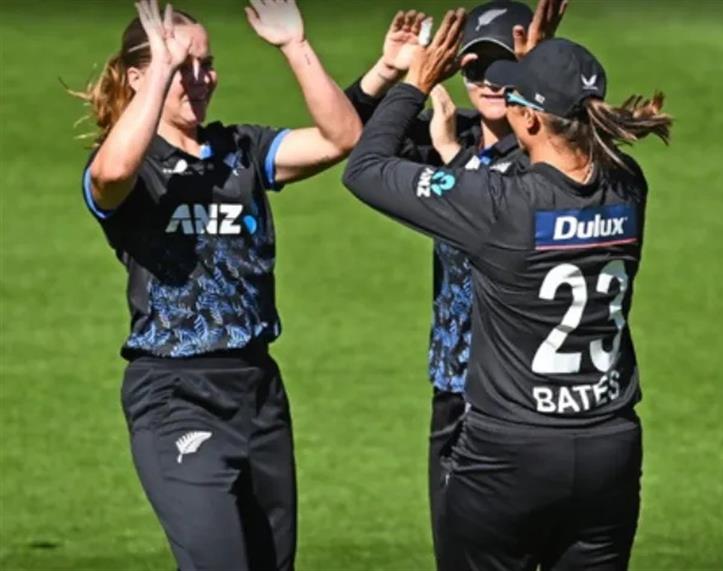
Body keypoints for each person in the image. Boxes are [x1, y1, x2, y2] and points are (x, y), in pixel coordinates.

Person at [343, 9, 672, 570]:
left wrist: (415, 84)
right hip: (609, 448)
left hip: (510, 453)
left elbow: (365, 169)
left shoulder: (496, 206)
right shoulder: (626, 186)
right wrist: (541, 73)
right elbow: (555, 166)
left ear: (532, 121)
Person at [74, 0, 361, 569]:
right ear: (138, 77)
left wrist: (294, 46)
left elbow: (342, 137)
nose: (200, 79)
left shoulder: (241, 150)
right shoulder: (133, 167)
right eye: (183, 66)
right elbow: (110, 174)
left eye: (206, 64)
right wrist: (162, 68)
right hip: (176, 394)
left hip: (257, 390)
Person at [343, 2, 566, 568]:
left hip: (524, 399)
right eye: (474, 68)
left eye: (505, 66)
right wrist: (388, 74)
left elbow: (504, 209)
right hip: (455, 389)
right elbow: (349, 140)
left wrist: (453, 157)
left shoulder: (548, 151)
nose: (490, 81)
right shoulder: (450, 128)